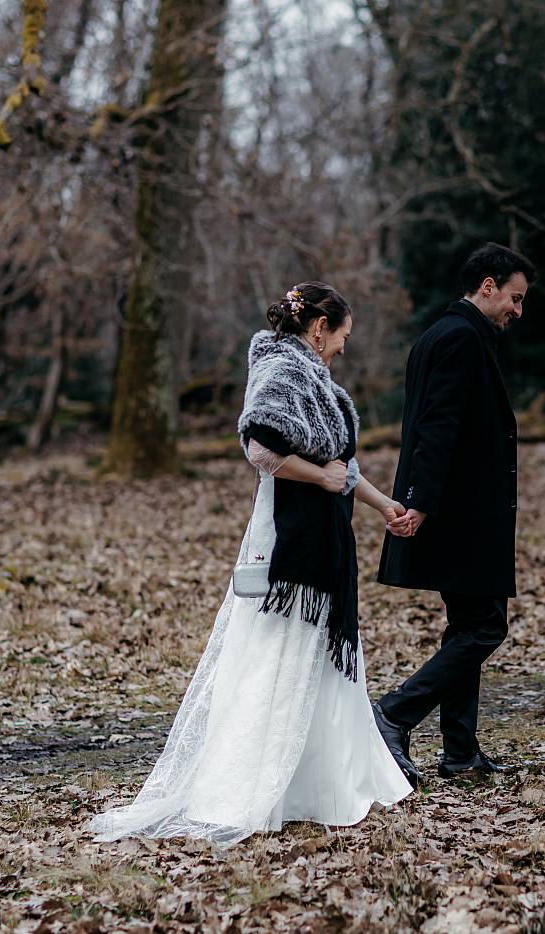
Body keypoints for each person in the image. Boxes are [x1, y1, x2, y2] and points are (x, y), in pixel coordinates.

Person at [88, 282, 413, 845]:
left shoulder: (319, 382)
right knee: (278, 650)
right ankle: (250, 784)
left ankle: (324, 782)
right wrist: (320, 477)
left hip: (326, 536)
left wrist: (385, 507)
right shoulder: (279, 370)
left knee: (322, 654)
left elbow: (343, 466)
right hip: (290, 538)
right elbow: (260, 449)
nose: (344, 347)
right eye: (343, 335)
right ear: (319, 328)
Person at [374, 243, 537, 785]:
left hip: (460, 510)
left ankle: (460, 752)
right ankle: (394, 712)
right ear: (487, 286)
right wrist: (420, 501)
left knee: (469, 624)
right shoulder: (462, 339)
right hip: (461, 515)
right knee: (485, 627)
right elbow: (436, 426)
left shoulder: (444, 335)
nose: (519, 309)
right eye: (514, 297)